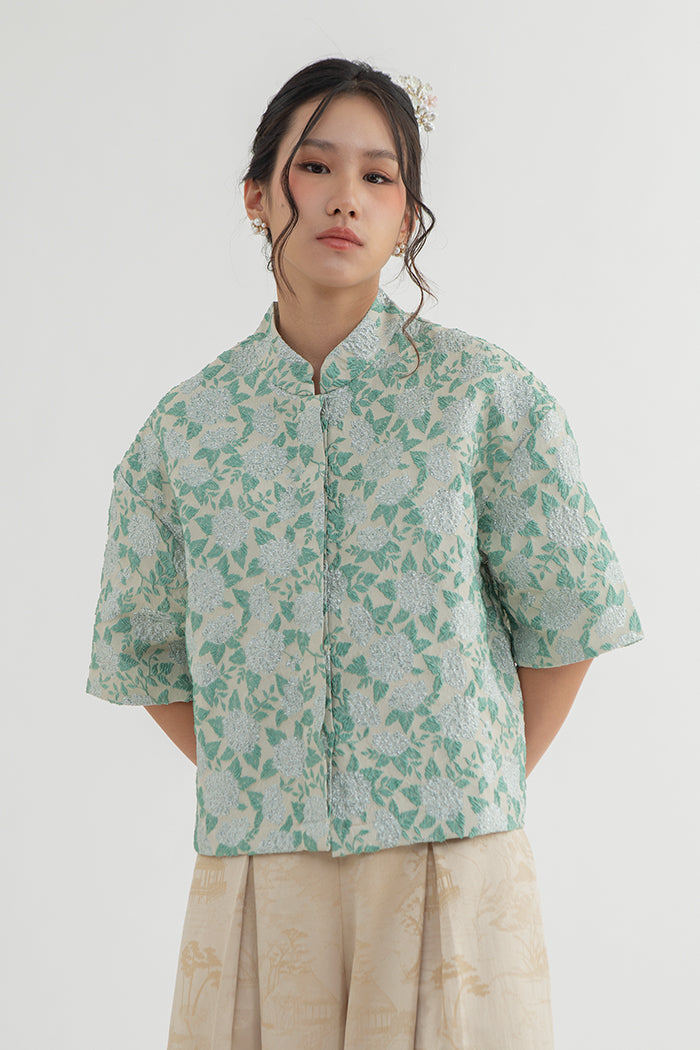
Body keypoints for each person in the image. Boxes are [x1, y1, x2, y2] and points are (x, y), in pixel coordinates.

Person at [85, 57, 644, 1050]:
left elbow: (569, 617)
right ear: (257, 196)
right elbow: (145, 654)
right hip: (261, 869)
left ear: (406, 215)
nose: (346, 196)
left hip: (450, 860)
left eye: (379, 176)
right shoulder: (186, 431)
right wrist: (280, 774)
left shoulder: (483, 396)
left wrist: (467, 780)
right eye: (315, 167)